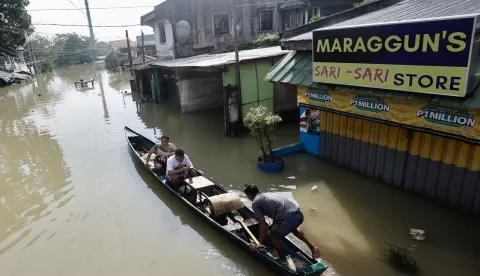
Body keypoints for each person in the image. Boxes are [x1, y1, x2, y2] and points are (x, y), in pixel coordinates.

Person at [243, 184, 321, 259]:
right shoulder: (267, 195)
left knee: (272, 235)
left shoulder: (256, 203)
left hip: (288, 220)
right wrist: (273, 225)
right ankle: (313, 248)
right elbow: (277, 210)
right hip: (296, 217)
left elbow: (262, 223)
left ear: (249, 195)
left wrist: (260, 242)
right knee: (293, 228)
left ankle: (281, 255)